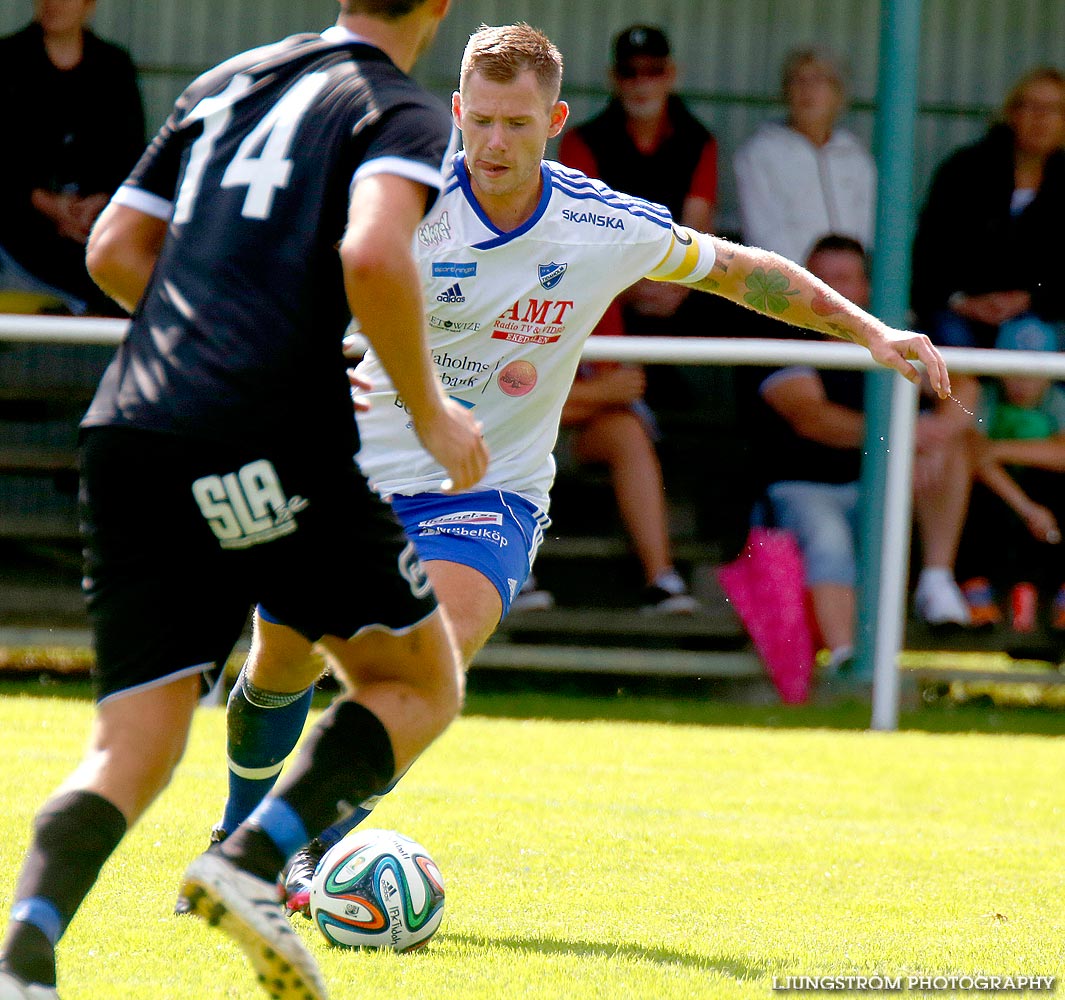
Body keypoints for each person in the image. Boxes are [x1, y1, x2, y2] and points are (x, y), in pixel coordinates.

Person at [204, 23, 953, 918]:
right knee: (279, 664)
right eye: (478, 120)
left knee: (430, 667)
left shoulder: (599, 223)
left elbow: (743, 274)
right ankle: (236, 835)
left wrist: (869, 329)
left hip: (485, 491)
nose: (492, 143)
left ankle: (292, 855)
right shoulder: (393, 207)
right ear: (454, 112)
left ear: (554, 119)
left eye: (516, 124)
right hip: (347, 475)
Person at [0, 3, 490, 999]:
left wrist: (203, 342)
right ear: (438, 6)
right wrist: (433, 415)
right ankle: (249, 861)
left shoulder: (231, 77)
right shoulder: (398, 112)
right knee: (419, 683)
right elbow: (371, 254)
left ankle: (22, 959)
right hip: (264, 430)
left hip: (131, 424)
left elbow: (112, 250)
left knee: (131, 743)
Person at [549, 23, 720, 608]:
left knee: (639, 420)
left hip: (649, 300)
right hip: (604, 300)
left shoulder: (697, 138)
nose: (642, 83)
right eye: (631, 72)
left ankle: (664, 579)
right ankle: (510, 582)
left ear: (670, 75)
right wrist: (611, 390)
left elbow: (698, 235)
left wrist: (667, 280)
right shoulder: (584, 147)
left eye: (653, 71)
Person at [753, 235, 971, 674]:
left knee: (955, 450)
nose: (826, 287)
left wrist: (934, 435)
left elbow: (967, 388)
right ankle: (848, 663)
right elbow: (812, 417)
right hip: (807, 487)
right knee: (829, 539)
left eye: (841, 278)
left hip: (889, 484)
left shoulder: (894, 332)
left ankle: (937, 580)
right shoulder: (779, 332)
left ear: (868, 287)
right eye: (817, 276)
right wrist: (906, 436)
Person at [0, 0, 145, 316]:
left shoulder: (113, 65)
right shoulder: (7, 60)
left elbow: (132, 150)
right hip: (19, 228)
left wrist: (101, 202)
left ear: (88, 5)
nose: (55, 4)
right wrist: (45, 203)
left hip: (95, 222)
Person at [956, 316, 1065, 632]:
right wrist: (1028, 510)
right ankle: (976, 588)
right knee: (977, 498)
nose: (1022, 382)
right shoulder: (986, 399)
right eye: (1013, 372)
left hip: (1047, 505)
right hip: (1005, 503)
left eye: (1032, 374)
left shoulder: (1056, 402)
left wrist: (1000, 449)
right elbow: (974, 455)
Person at [733, 45, 876, 267]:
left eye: (819, 80)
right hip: (789, 285)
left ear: (838, 94)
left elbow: (870, 226)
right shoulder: (759, 154)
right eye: (798, 80)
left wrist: (852, 273)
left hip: (849, 284)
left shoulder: (856, 157)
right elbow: (761, 232)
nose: (807, 90)